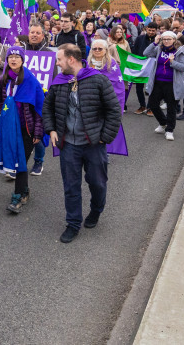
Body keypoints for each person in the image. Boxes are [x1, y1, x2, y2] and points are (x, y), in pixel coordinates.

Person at [43, 44, 122, 243]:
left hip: (94, 144)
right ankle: (73, 223)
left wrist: (105, 136)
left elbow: (114, 109)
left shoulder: (98, 79)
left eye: (59, 59)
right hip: (68, 144)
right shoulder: (59, 81)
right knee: (71, 186)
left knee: (97, 183)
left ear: (71, 59)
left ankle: (96, 211)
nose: (57, 63)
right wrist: (51, 129)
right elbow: (48, 108)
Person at [0, 46, 45, 213]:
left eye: (17, 56)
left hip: (26, 129)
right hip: (9, 127)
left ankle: (17, 196)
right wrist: (1, 117)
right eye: (10, 57)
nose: (13, 59)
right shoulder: (2, 79)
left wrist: (37, 132)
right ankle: (24, 191)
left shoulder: (30, 80)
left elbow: (38, 108)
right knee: (17, 159)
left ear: (23, 60)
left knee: (21, 161)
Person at [143, 31, 184, 141]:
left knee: (171, 108)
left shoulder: (180, 51)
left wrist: (172, 62)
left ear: (174, 40)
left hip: (172, 84)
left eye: (169, 39)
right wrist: (154, 43)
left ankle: (169, 130)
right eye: (164, 39)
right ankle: (163, 123)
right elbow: (146, 53)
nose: (166, 41)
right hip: (158, 82)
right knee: (153, 105)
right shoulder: (159, 49)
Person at [132, 23, 158, 115]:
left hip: (153, 67)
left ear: (156, 31)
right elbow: (134, 52)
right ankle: (142, 105)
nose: (151, 32)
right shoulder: (139, 39)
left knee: (152, 87)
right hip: (140, 66)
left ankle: (150, 107)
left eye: (153, 31)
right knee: (139, 87)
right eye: (149, 30)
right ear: (146, 29)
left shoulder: (158, 40)